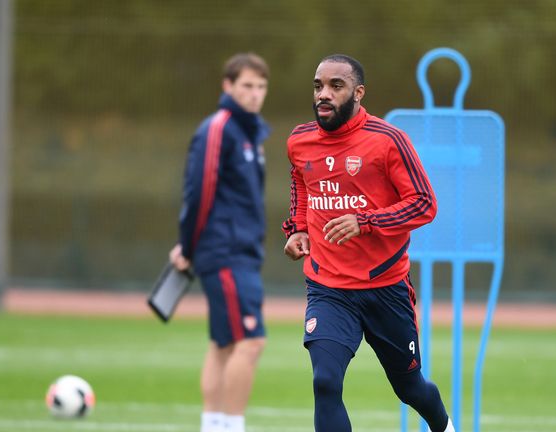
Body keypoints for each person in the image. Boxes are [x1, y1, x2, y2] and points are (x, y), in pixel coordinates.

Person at [282, 54, 455, 432]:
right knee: (325, 382)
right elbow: (301, 181)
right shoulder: (299, 141)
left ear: (358, 93)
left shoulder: (388, 141)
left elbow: (425, 204)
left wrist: (366, 221)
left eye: (335, 86)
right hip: (329, 287)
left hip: (385, 288)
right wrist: (297, 227)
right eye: (318, 86)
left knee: (410, 388)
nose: (323, 94)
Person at [169, 52, 270, 432]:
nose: (254, 94)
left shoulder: (250, 133)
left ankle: (213, 425)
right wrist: (188, 246)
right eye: (246, 85)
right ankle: (230, 426)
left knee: (224, 344)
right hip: (225, 252)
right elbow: (199, 191)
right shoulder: (219, 128)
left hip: (240, 252)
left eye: (261, 87)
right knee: (251, 341)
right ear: (227, 87)